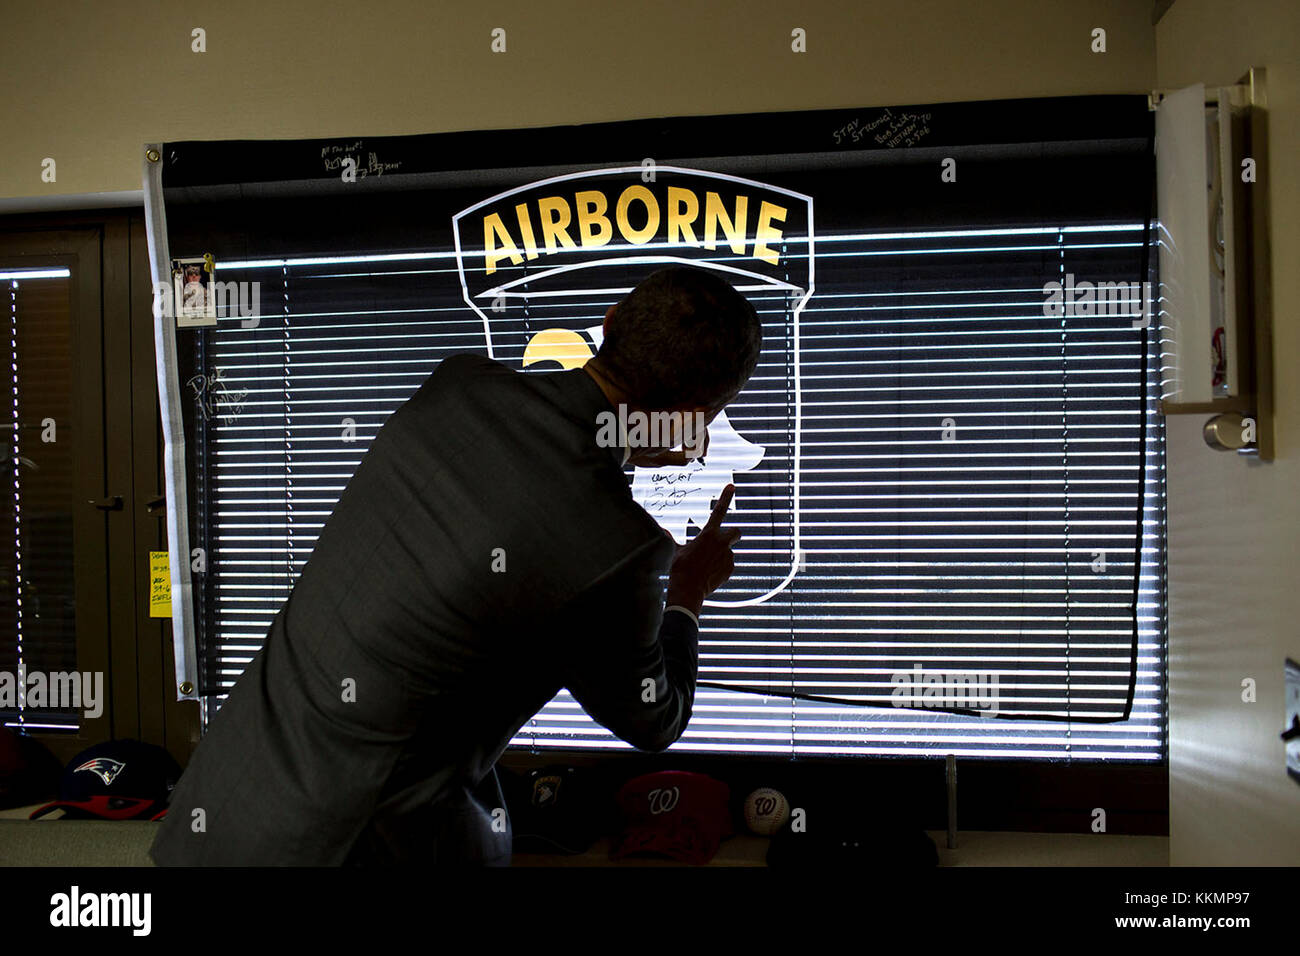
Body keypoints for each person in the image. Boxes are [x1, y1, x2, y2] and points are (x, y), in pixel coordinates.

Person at [149, 264, 761, 866]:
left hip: (222, 807)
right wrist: (686, 593)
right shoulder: (618, 549)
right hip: (347, 847)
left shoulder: (459, 383)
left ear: (608, 324)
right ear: (691, 414)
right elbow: (654, 718)